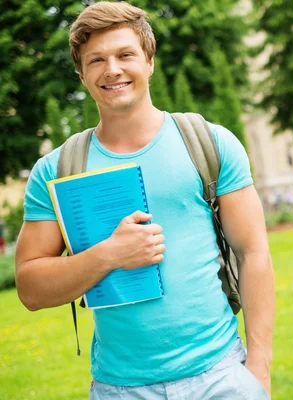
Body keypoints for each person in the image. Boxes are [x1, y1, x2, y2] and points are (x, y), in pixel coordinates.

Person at [14, 2, 274, 399]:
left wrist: (258, 368)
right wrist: (109, 255)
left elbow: (253, 252)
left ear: (149, 61)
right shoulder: (57, 169)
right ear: (81, 73)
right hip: (120, 389)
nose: (112, 69)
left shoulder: (210, 143)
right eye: (96, 60)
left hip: (222, 377)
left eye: (125, 54)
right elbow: (30, 289)